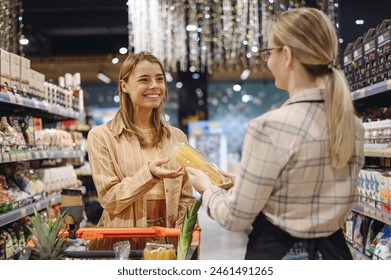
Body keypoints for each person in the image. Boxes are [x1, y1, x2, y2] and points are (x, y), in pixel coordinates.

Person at [186, 7, 365, 260]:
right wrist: (243, 183)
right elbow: (306, 193)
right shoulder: (351, 124)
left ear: (287, 55)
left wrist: (206, 188)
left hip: (283, 256)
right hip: (335, 254)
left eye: (269, 52)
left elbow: (234, 217)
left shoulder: (270, 126)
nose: (268, 61)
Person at [87, 51, 195, 250]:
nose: (154, 86)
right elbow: (110, 199)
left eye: (159, 79)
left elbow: (186, 197)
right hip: (121, 246)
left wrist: (181, 241)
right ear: (124, 86)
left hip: (167, 245)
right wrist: (149, 175)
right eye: (144, 80)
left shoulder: (177, 137)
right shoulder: (102, 136)